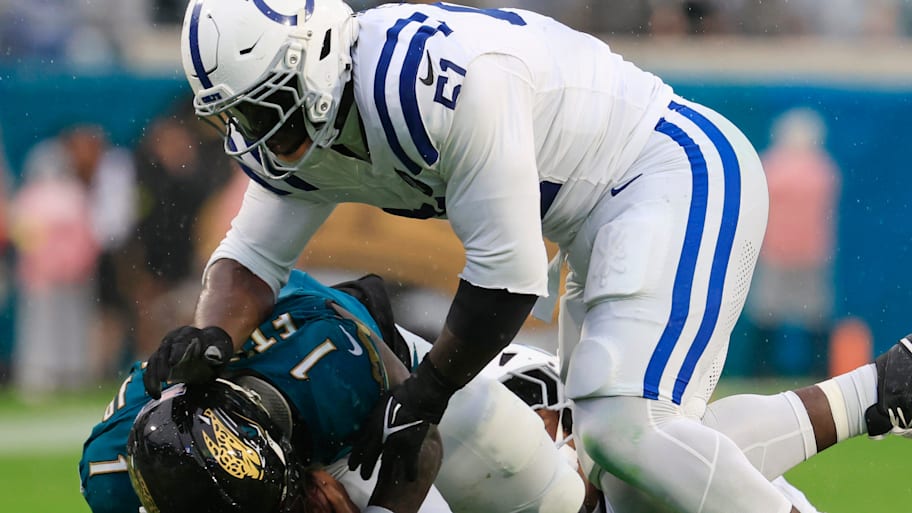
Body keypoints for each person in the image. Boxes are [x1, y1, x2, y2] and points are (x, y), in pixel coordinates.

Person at [142, 2, 912, 512]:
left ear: (314, 58)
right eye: (239, 114)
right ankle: (881, 389)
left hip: (669, 169)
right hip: (596, 214)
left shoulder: (431, 86)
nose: (256, 129)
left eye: (264, 103)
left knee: (625, 428)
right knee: (626, 480)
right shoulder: (300, 123)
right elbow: (249, 259)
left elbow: (506, 281)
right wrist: (211, 335)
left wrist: (424, 395)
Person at [82, 270, 584, 513]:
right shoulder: (112, 473)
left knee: (556, 503)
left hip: (382, 402)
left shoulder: (330, 366)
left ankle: (561, 435)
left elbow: (421, 439)